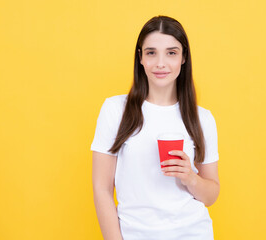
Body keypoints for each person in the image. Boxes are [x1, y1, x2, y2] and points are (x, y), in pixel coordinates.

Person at [91, 15, 219, 240]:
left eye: (171, 53)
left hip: (193, 233)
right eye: (151, 52)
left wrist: (190, 177)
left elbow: (210, 195)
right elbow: (102, 189)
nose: (161, 63)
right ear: (140, 58)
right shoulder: (115, 110)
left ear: (183, 58)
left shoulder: (202, 118)